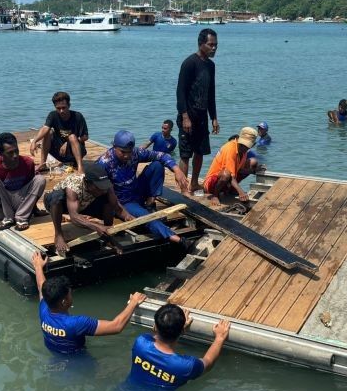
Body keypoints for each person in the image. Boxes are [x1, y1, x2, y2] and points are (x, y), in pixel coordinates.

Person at [32, 251, 147, 355]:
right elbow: (116, 326)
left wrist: (38, 267)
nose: (71, 295)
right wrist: (133, 302)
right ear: (64, 301)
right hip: (79, 361)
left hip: (55, 354)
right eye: (70, 294)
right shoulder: (77, 323)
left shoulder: (44, 309)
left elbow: (41, 286)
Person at [97, 130, 190, 248]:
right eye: (123, 152)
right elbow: (97, 188)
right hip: (123, 202)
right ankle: (177, 239)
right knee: (147, 217)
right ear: (114, 147)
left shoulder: (135, 153)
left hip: (136, 191)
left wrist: (177, 170)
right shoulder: (104, 163)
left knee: (157, 165)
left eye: (129, 152)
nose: (127, 156)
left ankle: (150, 203)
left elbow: (162, 155)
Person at [127, 303, 230, 389]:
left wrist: (178, 327)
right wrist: (219, 338)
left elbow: (153, 334)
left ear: (156, 326)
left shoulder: (140, 343)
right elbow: (208, 362)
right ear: (182, 331)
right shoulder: (185, 366)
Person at [43, 162, 133, 256]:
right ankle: (58, 234)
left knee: (108, 199)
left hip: (84, 204)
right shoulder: (74, 185)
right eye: (99, 187)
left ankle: (108, 234)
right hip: (60, 204)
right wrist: (96, 226)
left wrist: (128, 216)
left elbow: (116, 206)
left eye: (103, 187)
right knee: (57, 197)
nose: (102, 190)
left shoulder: (106, 186)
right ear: (87, 182)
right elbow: (74, 217)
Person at [177, 28, 220, 193]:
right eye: (211, 45)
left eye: (216, 45)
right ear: (201, 44)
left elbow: (211, 93)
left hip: (202, 117)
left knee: (200, 152)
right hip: (188, 116)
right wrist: (185, 116)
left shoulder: (211, 66)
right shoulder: (189, 63)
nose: (214, 48)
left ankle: (194, 182)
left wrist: (214, 117)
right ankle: (184, 188)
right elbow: (180, 92)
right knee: (185, 154)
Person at [0, 132, 46, 231]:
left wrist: (34, 210)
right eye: (10, 153)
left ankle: (21, 217)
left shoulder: (28, 163)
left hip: (20, 201)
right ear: (0, 154)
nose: (15, 156)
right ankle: (8, 218)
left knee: (40, 179)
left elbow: (31, 190)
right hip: (2, 206)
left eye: (16, 151)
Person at [30, 91, 89, 174]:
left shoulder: (78, 116)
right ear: (55, 107)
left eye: (64, 108)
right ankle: (43, 164)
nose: (61, 111)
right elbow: (45, 128)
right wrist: (35, 141)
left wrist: (68, 143)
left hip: (75, 152)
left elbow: (85, 136)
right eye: (58, 108)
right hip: (60, 153)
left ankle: (80, 167)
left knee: (72, 137)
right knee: (49, 132)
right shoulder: (53, 115)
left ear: (69, 106)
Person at [203, 127, 257, 205]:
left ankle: (230, 189)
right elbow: (230, 175)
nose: (244, 148)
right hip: (212, 183)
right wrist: (240, 191)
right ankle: (215, 195)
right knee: (226, 174)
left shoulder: (243, 151)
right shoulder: (230, 148)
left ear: (253, 145)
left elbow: (240, 170)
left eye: (247, 146)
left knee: (253, 162)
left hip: (227, 181)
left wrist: (254, 171)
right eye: (242, 145)